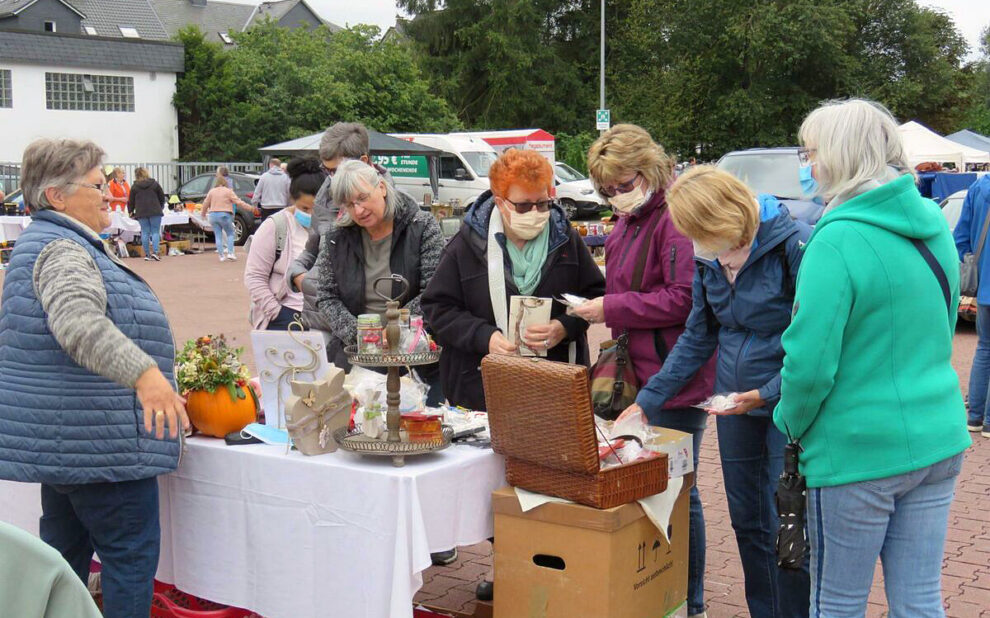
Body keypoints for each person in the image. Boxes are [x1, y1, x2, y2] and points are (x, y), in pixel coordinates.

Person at [775, 98, 971, 617]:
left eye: (810, 152)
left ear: (838, 156)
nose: (807, 164)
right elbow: (942, 322)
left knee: (837, 602)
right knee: (920, 598)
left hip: (857, 449)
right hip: (937, 435)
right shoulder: (931, 224)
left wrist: (789, 423)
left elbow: (809, 364)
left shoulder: (836, 238)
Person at [0, 138, 189, 618]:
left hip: (71, 443)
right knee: (129, 558)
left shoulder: (44, 241)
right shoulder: (63, 249)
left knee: (60, 565)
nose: (110, 195)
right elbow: (78, 324)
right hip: (101, 446)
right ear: (57, 197)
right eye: (98, 185)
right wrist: (146, 374)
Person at [620, 165, 811, 618]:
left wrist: (766, 392)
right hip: (733, 404)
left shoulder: (795, 246)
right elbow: (698, 335)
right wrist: (646, 402)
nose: (711, 256)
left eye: (713, 242)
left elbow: (815, 344)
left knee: (790, 527)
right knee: (748, 523)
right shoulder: (707, 255)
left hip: (789, 403)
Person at [576, 124, 715, 618]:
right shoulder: (628, 222)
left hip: (673, 379)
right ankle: (652, 592)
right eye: (607, 188)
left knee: (679, 491)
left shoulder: (674, 219)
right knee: (647, 487)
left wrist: (611, 307)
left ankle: (690, 601)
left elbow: (683, 299)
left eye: (623, 182)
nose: (616, 195)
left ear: (650, 169)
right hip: (637, 372)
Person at [315, 160, 443, 368]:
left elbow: (434, 292)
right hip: (356, 357)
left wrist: (395, 330)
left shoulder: (422, 227)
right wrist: (363, 337)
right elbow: (326, 296)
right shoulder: (335, 238)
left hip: (414, 356)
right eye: (349, 204)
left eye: (362, 198)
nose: (358, 210)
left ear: (382, 188)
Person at [286, 122, 394, 334]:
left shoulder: (391, 202)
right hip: (321, 320)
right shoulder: (324, 198)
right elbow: (312, 248)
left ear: (363, 161)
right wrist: (297, 274)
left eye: (336, 170)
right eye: (326, 170)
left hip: (368, 326)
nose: (331, 177)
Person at [244, 158, 322, 330]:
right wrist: (276, 312)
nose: (311, 214)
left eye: (317, 208)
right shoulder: (275, 226)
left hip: (323, 317)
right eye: (305, 208)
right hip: (287, 315)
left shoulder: (331, 226)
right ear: (292, 200)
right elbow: (254, 276)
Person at [954, 172, 990, 437]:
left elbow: (960, 238)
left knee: (984, 348)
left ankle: (975, 417)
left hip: (984, 285)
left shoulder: (978, 188)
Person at [202, 175, 249, 262]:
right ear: (225, 183)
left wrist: (203, 214)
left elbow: (205, 203)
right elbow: (238, 201)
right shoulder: (228, 191)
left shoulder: (211, 191)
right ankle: (230, 253)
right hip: (225, 215)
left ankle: (221, 256)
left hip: (213, 215)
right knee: (230, 234)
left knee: (218, 235)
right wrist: (249, 208)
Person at [127, 167, 166, 262]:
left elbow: (131, 201)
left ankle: (147, 254)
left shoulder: (135, 187)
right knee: (155, 232)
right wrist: (160, 207)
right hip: (155, 210)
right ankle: (156, 252)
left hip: (141, 212)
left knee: (145, 232)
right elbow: (162, 197)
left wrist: (131, 211)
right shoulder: (154, 184)